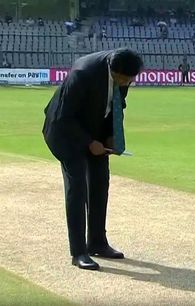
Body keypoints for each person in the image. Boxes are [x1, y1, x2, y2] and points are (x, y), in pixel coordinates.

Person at [42, 49, 144, 270]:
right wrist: (89, 142)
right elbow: (64, 116)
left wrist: (110, 136)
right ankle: (79, 252)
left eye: (130, 80)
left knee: (100, 183)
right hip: (64, 133)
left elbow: (116, 106)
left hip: (93, 130)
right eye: (123, 79)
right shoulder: (83, 73)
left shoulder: (123, 74)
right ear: (112, 70)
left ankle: (97, 242)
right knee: (77, 186)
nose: (126, 83)